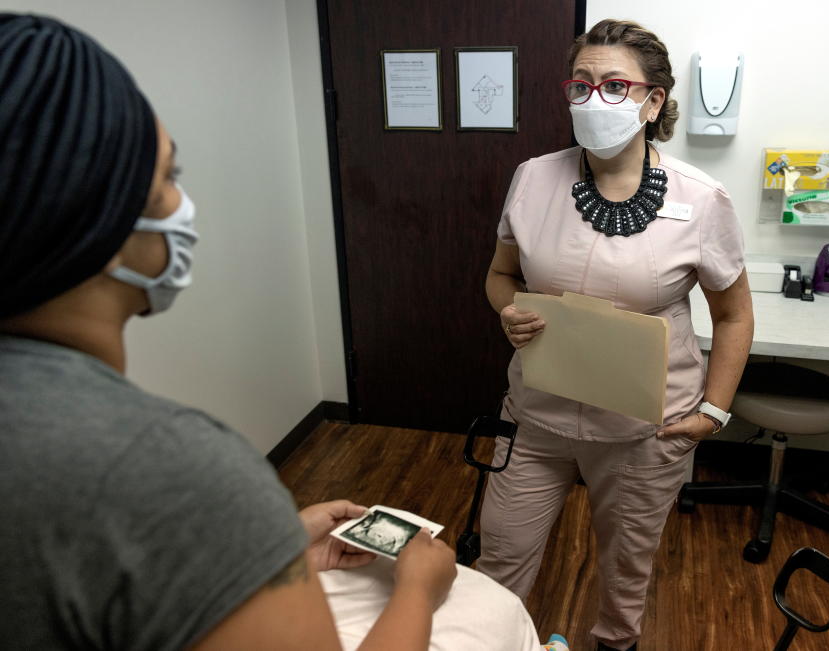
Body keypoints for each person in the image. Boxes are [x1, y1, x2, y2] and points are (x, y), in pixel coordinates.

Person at [0, 13, 546, 651]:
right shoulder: (169, 470)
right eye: (169, 179)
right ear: (95, 212)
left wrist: (264, 546)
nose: (183, 206)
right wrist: (417, 591)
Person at [477, 19, 755, 651]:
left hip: (644, 428)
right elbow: (500, 275)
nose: (592, 99)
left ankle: (614, 642)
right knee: (502, 553)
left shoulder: (701, 200)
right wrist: (507, 310)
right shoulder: (533, 177)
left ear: (652, 101)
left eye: (612, 85)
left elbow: (735, 315)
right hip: (538, 413)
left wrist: (714, 411)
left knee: (627, 568)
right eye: (580, 85)